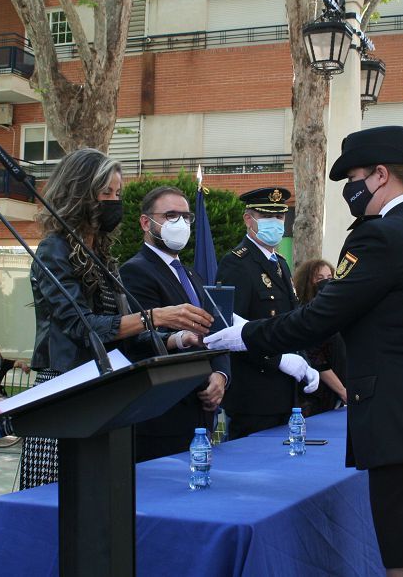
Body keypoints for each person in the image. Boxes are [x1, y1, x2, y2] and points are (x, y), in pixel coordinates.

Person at [207, 126, 403, 576]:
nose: (350, 189)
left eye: (353, 178)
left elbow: (319, 317)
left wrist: (243, 336)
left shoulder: (381, 237)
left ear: (381, 175)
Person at [24, 150, 213, 488]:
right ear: (80, 194)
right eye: (106, 193)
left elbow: (120, 332)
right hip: (66, 394)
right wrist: (154, 317)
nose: (114, 201)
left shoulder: (103, 256)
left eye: (118, 194)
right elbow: (84, 327)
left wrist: (177, 337)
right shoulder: (54, 250)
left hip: (105, 393)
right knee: (59, 504)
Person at [119, 185, 231, 461]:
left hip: (201, 414)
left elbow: (215, 330)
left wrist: (221, 376)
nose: (180, 223)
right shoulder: (135, 271)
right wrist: (202, 374)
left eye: (186, 216)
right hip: (163, 418)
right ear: (146, 222)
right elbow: (143, 339)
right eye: (170, 215)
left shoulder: (191, 274)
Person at [215, 186, 320, 439]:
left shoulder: (280, 263)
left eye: (280, 217)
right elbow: (230, 329)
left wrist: (304, 361)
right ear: (248, 220)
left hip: (286, 394)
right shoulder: (236, 264)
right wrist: (280, 360)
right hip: (255, 397)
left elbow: (292, 319)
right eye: (266, 217)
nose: (275, 223)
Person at [293, 258, 348, 415]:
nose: (326, 282)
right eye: (320, 278)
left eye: (330, 278)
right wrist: (343, 391)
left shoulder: (338, 314)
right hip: (317, 398)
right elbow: (318, 361)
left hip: (338, 395)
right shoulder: (306, 316)